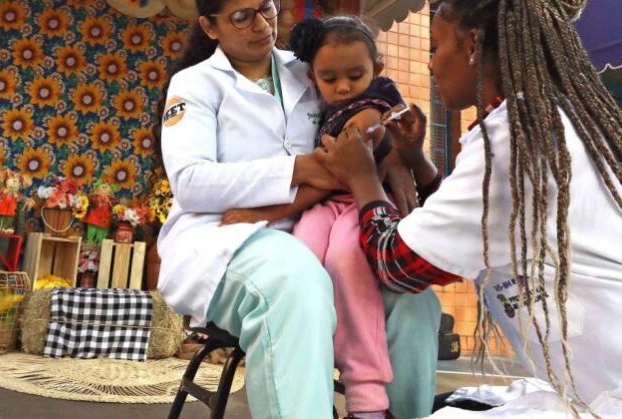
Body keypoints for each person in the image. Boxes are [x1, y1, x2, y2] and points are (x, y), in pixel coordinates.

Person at [315, 0, 622, 417]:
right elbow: (482, 229)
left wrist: (361, 178)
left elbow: (396, 264)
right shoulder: (551, 123)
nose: (429, 65)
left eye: (435, 47)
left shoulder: (513, 142)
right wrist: (418, 162)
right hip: (616, 380)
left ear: (471, 45)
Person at [157, 1, 442, 417]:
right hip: (222, 238)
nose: (261, 24)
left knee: (413, 299)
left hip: (321, 229)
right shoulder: (195, 84)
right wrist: (305, 169)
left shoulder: (309, 68)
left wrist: (394, 155)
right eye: (241, 16)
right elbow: (191, 182)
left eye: (266, 8)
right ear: (210, 26)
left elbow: (375, 105)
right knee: (294, 281)